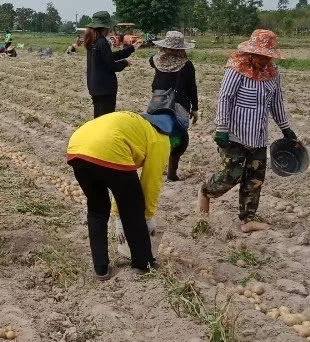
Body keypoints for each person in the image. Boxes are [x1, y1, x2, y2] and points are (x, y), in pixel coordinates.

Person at [67, 110, 183, 279]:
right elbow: (151, 182)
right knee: (133, 207)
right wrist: (148, 216)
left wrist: (117, 216)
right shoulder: (161, 139)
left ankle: (101, 268)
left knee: (97, 209)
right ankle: (143, 263)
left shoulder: (137, 125)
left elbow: (119, 182)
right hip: (109, 147)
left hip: (77, 147)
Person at [202, 29, 296, 234]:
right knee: (231, 174)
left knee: (254, 179)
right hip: (234, 134)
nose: (265, 60)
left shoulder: (272, 73)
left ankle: (248, 219)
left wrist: (285, 128)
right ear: (252, 52)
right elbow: (225, 98)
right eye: (261, 55)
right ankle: (205, 194)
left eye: (268, 56)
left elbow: (276, 101)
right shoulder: (236, 68)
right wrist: (221, 128)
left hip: (258, 135)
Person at [148, 31, 198, 181]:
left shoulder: (156, 61)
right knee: (178, 135)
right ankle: (171, 173)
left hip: (157, 103)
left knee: (157, 134)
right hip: (179, 104)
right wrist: (195, 108)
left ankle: (155, 168)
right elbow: (192, 88)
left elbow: (152, 59)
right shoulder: (187, 66)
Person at [84, 11, 134, 117]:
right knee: (106, 119)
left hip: (95, 87)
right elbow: (111, 65)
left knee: (98, 119)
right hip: (105, 89)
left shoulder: (93, 41)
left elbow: (109, 57)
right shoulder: (102, 42)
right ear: (105, 27)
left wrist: (131, 49)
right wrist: (125, 63)